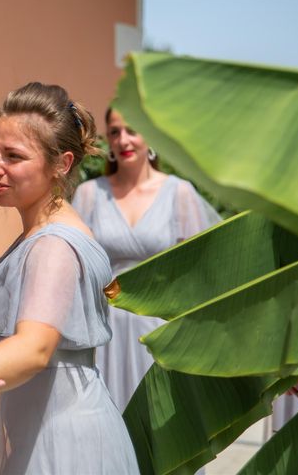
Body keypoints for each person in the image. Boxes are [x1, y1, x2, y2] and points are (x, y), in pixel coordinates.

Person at [0, 82, 140, 474]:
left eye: (13, 156)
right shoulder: (40, 234)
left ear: (62, 164)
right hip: (39, 424)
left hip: (62, 440)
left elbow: (33, 349)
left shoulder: (54, 245)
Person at [72, 108, 221, 413]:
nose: (123, 139)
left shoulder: (179, 193)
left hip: (162, 328)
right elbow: (76, 270)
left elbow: (197, 275)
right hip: (106, 330)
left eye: (131, 130)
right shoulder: (89, 194)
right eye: (114, 132)